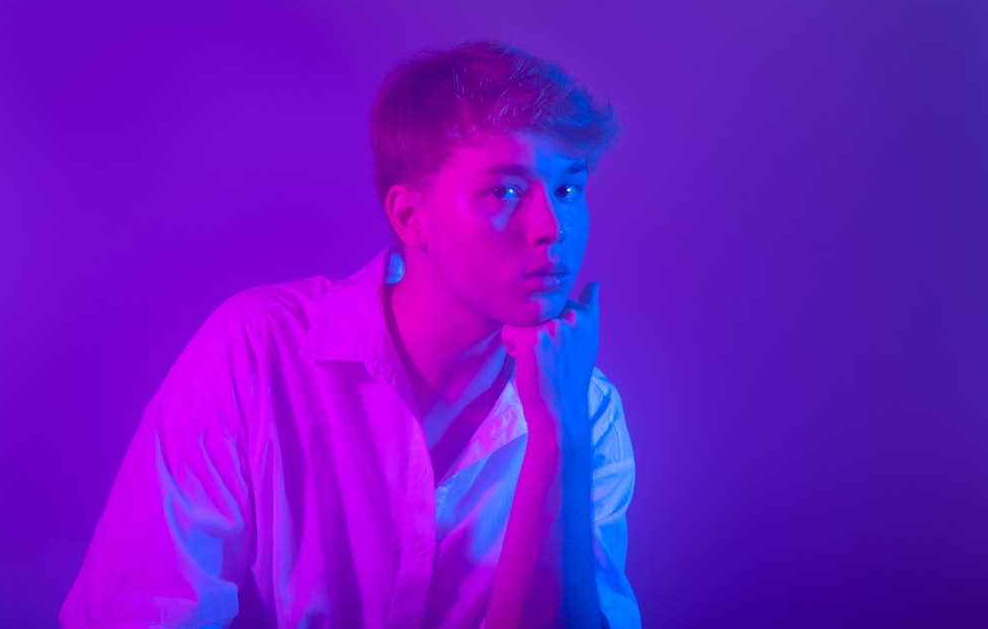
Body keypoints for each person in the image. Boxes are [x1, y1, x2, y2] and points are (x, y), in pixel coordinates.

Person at [60, 40, 640, 628]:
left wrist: (557, 430)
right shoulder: (258, 352)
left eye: (568, 189)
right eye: (505, 191)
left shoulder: (589, 413)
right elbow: (138, 610)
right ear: (411, 217)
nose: (552, 228)